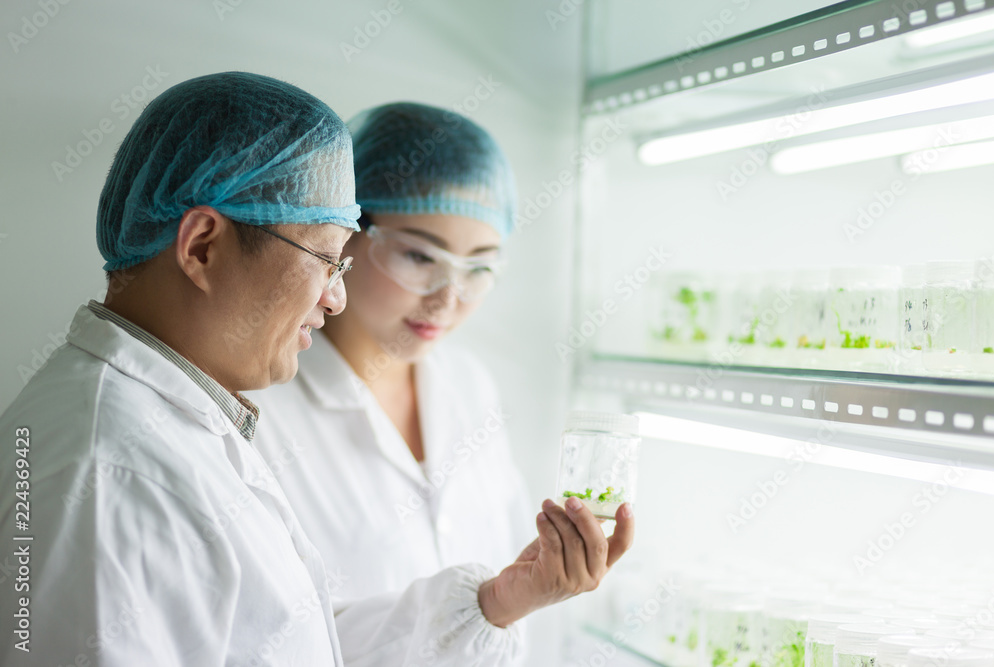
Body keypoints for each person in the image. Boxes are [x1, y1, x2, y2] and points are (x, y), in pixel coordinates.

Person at [0, 73, 635, 667]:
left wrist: (497, 602)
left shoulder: (185, 427)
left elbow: (289, 642)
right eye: (326, 259)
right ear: (202, 246)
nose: (335, 297)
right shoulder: (106, 472)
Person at [248, 102, 532, 603]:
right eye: (419, 256)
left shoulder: (470, 385)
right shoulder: (258, 406)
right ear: (344, 235)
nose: (448, 298)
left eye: (477, 268)